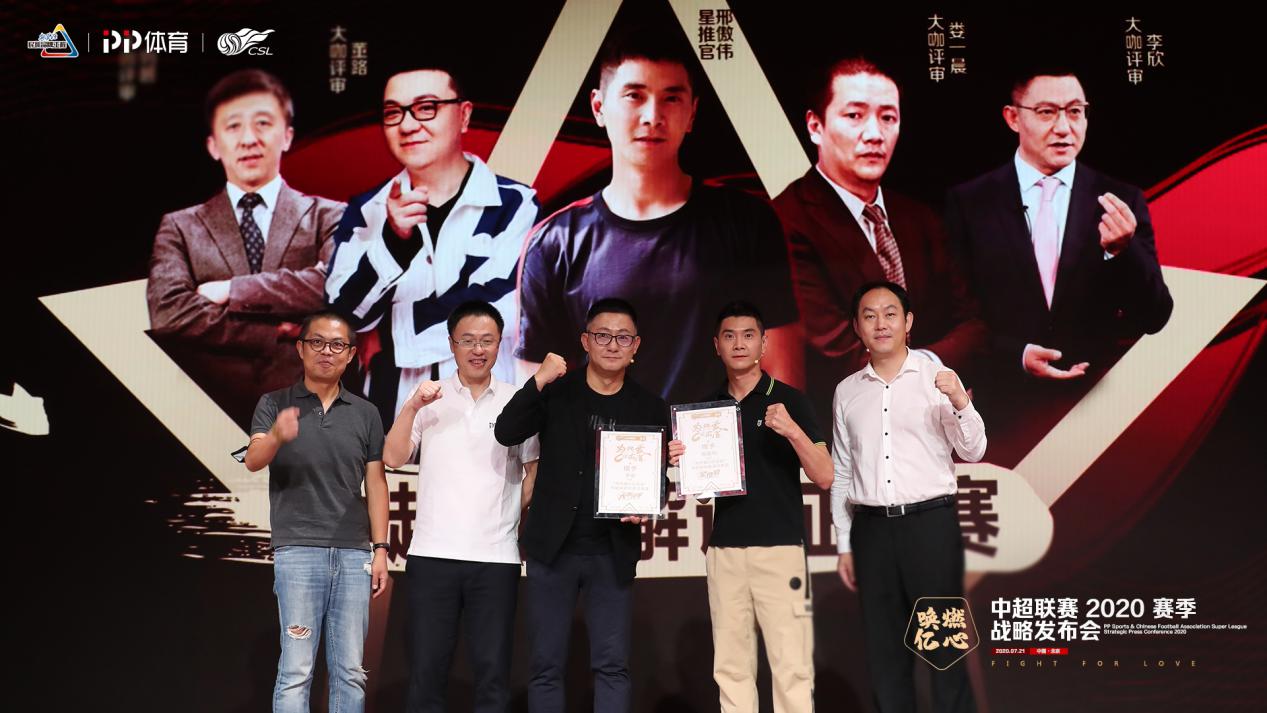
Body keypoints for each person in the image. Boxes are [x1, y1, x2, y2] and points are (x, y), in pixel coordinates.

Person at [515, 31, 800, 404]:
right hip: (598, 440)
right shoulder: (554, 242)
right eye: (634, 96)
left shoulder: (748, 223)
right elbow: (538, 388)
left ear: (692, 112)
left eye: (671, 98)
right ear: (599, 107)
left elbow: (781, 372)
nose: (653, 116)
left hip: (719, 441)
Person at [944, 68, 1172, 459]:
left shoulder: (1120, 199)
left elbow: (1155, 315)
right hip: (1001, 409)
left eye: (1075, 111)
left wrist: (1124, 250)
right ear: (1013, 117)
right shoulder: (969, 202)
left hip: (1097, 409)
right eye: (1047, 112)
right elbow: (953, 314)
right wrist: (1017, 354)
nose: (1064, 128)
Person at [772, 58, 984, 427]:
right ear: (815, 126)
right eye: (854, 116)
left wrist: (931, 376)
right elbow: (836, 351)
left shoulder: (920, 218)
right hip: (847, 430)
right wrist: (934, 381)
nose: (874, 134)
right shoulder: (785, 220)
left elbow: (973, 326)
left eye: (887, 117)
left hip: (936, 428)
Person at [326, 64, 539, 428]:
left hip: (493, 407)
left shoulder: (516, 204)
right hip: (393, 409)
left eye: (426, 108)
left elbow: (503, 308)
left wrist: (390, 333)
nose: (408, 125)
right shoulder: (367, 209)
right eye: (393, 112)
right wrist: (393, 239)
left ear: (464, 115)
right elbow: (343, 314)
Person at [495, 297, 667, 713]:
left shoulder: (650, 407)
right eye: (602, 335)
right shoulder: (557, 393)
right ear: (585, 341)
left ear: (636, 346)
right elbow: (506, 431)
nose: (612, 344)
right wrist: (537, 380)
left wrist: (650, 501)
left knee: (612, 666)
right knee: (545, 666)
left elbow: (655, 480)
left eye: (622, 337)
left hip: (612, 551)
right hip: (552, 550)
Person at [147, 69, 344, 427]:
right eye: (233, 126)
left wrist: (233, 290)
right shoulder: (181, 226)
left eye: (263, 123)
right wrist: (274, 334)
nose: (249, 139)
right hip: (206, 417)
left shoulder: (330, 215)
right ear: (213, 145)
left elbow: (335, 285)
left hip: (316, 417)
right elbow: (169, 312)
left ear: (287, 136)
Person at [669, 301, 832, 713]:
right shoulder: (704, 411)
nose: (738, 344)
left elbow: (825, 474)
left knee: (791, 666)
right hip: (725, 551)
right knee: (731, 667)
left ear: (764, 343)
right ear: (716, 345)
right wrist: (686, 464)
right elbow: (702, 495)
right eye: (729, 336)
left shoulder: (790, 400)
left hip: (781, 550)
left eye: (747, 335)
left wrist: (792, 431)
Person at [831, 281, 985, 713]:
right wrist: (844, 543)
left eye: (890, 313)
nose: (881, 323)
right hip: (871, 532)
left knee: (944, 651)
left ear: (908, 322)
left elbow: (974, 450)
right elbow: (843, 472)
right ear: (856, 327)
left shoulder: (936, 378)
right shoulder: (847, 391)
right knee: (885, 656)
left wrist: (961, 402)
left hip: (929, 527)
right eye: (869, 315)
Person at [381, 300, 538, 713]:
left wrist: (508, 518)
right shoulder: (428, 396)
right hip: (433, 555)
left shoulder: (518, 401)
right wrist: (412, 406)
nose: (477, 349)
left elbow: (533, 474)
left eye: (487, 340)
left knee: (493, 676)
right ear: (451, 344)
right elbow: (393, 457)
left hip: (496, 558)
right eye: (467, 340)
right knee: (427, 674)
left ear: (500, 344)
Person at [244, 311, 388, 713]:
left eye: (337, 345)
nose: (327, 351)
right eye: (318, 342)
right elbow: (253, 460)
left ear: (351, 354)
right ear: (300, 348)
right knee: (297, 668)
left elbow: (376, 483)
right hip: (298, 550)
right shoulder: (274, 403)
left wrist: (380, 548)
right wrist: (276, 435)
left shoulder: (366, 412)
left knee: (351, 670)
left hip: (354, 553)